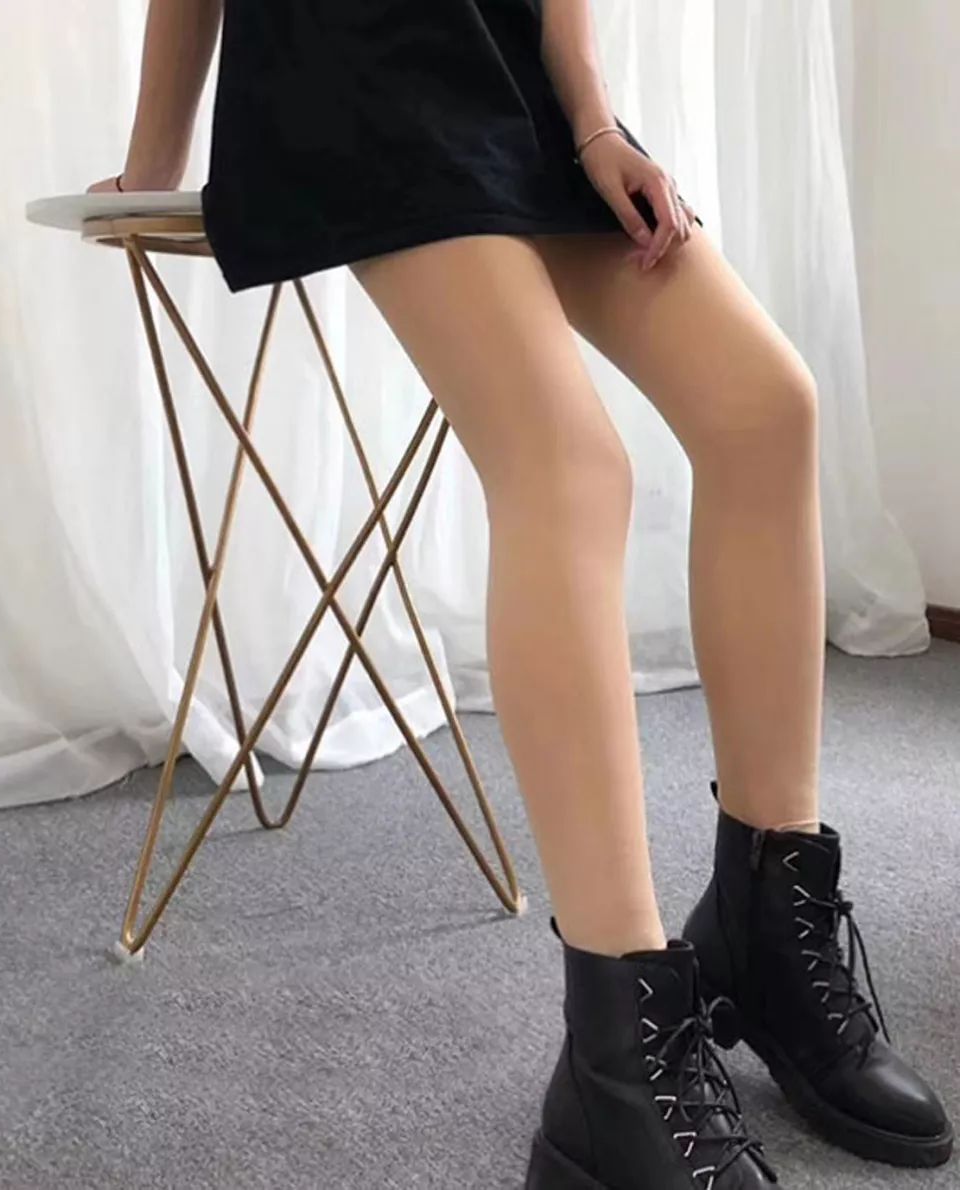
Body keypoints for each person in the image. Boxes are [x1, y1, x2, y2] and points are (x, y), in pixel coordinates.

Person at [89, 2, 953, 1185]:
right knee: (569, 466)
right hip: (354, 73)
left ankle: (766, 921)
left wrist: (592, 119)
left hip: (509, 70)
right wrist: (154, 161)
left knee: (767, 406)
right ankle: (617, 1056)